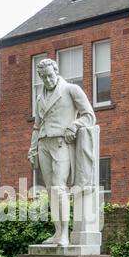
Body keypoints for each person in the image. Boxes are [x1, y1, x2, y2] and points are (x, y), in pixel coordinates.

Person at [28, 58, 96, 246]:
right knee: (51, 191)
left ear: (56, 72)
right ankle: (57, 232)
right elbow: (36, 126)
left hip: (61, 143)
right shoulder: (40, 97)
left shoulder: (71, 89)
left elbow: (89, 115)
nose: (48, 80)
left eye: (50, 75)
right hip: (43, 144)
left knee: (59, 188)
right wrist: (32, 149)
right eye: (44, 77)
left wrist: (74, 126)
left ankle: (65, 234)